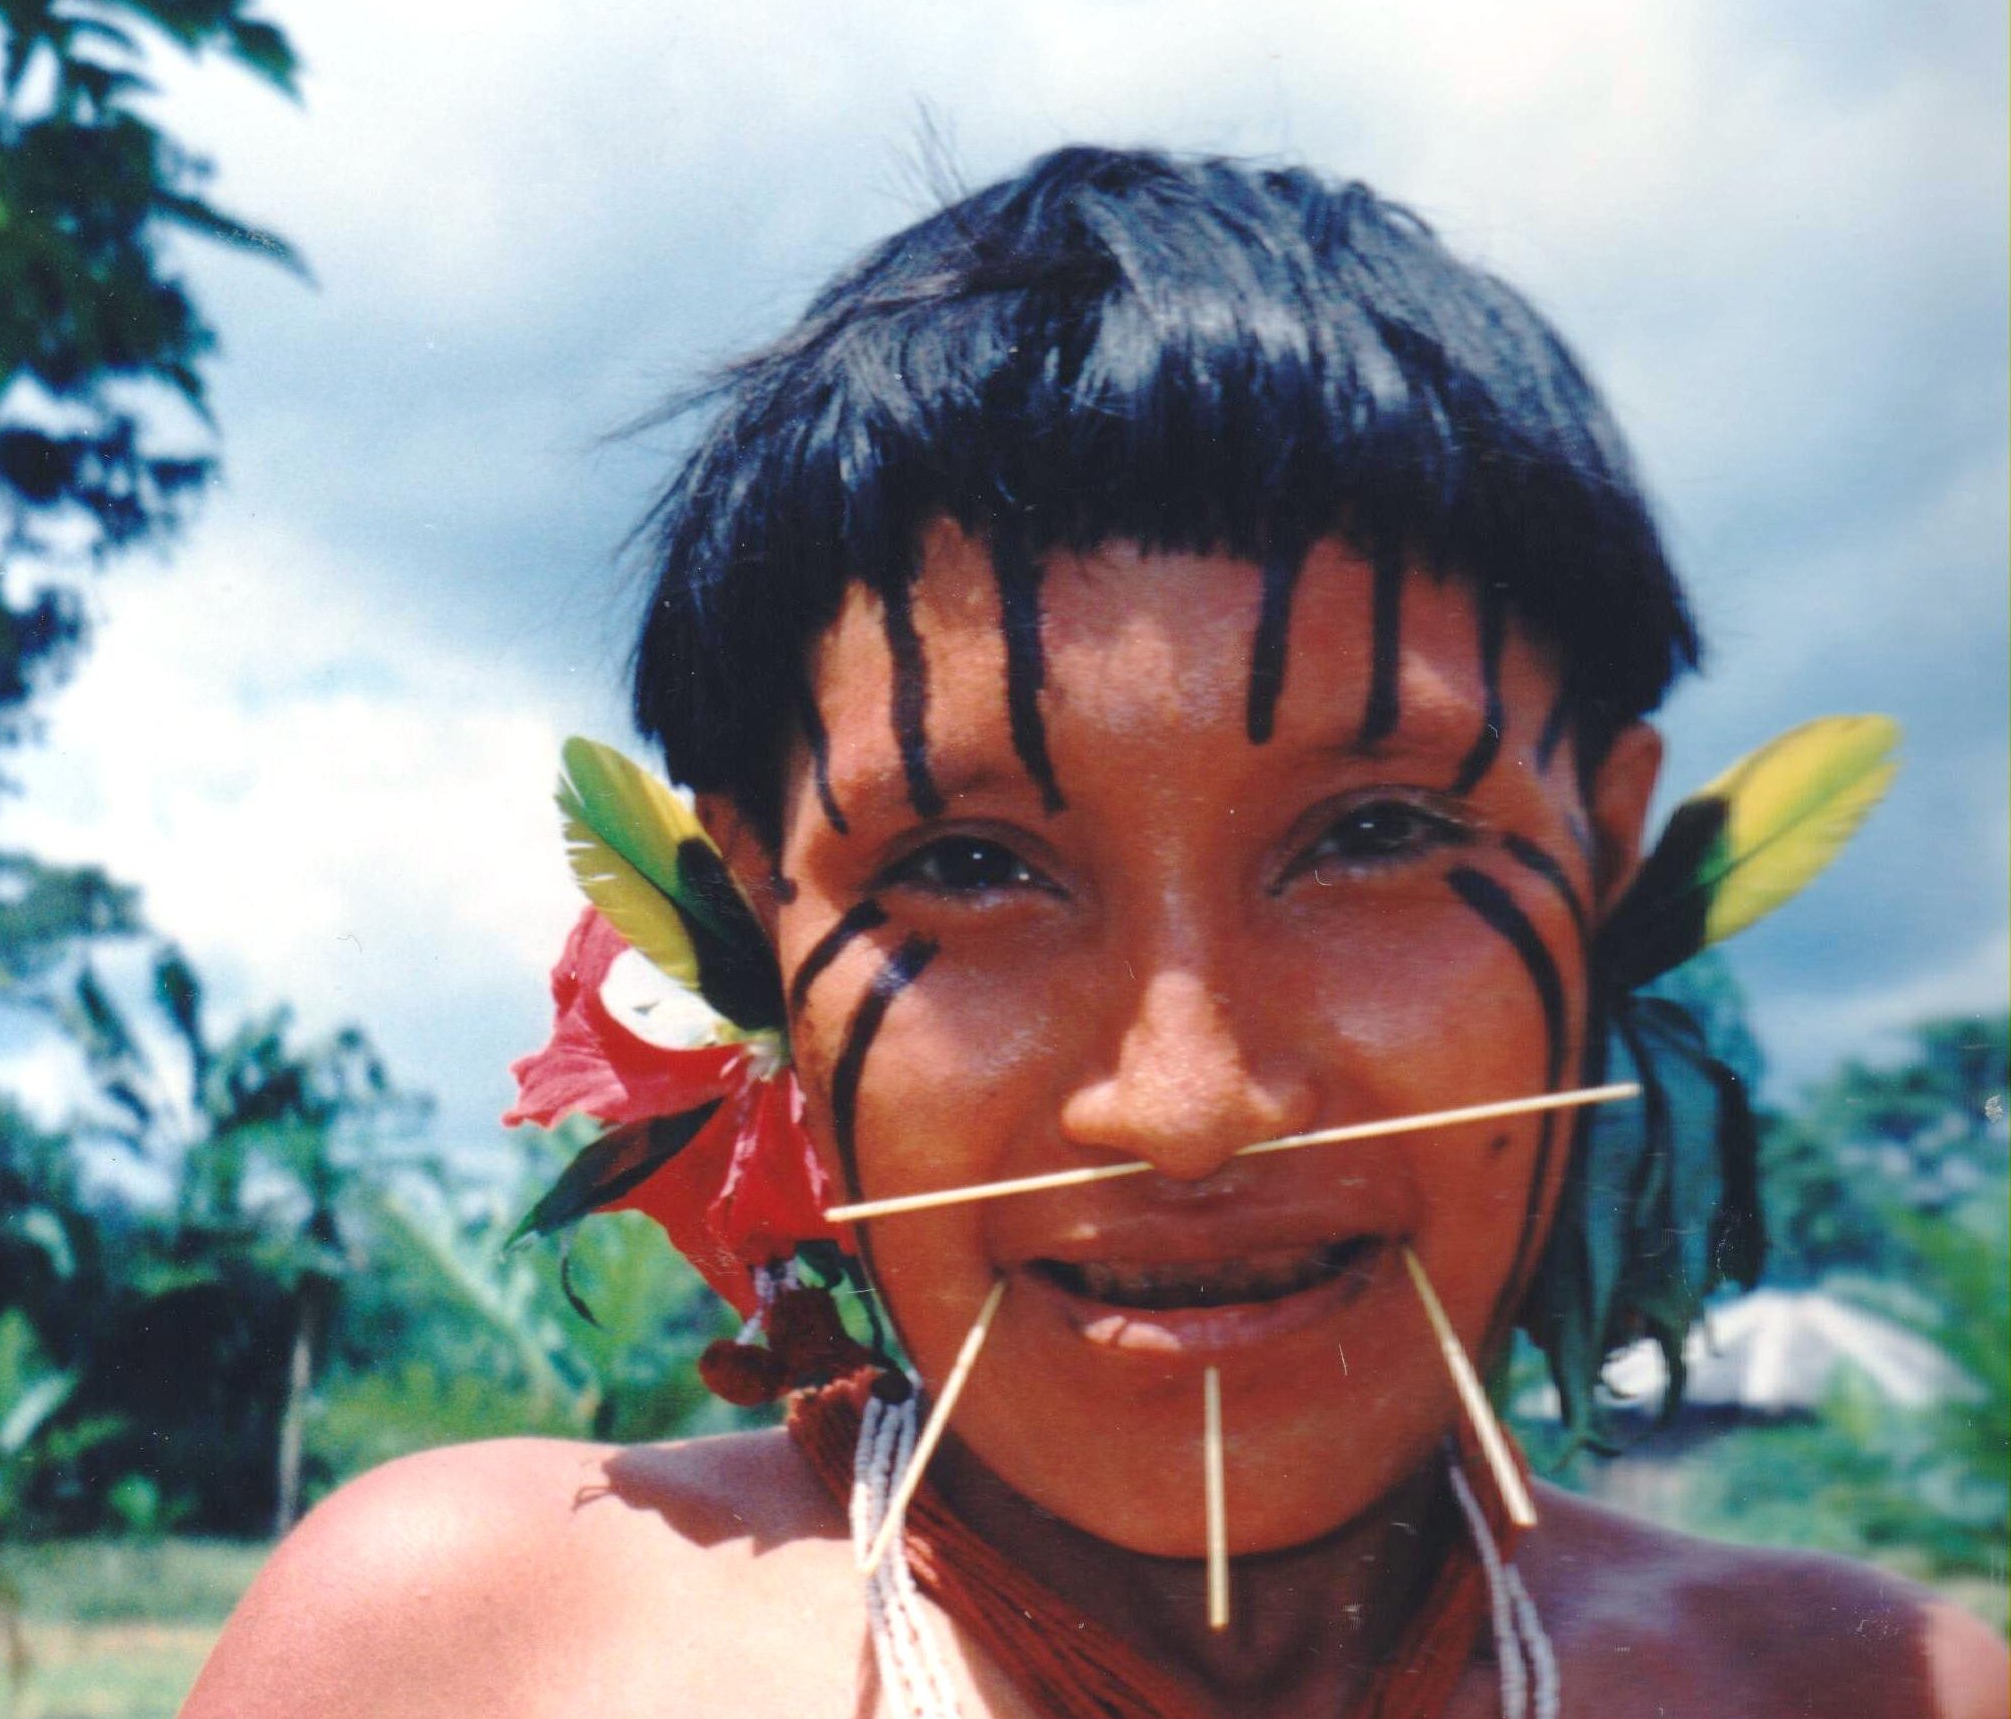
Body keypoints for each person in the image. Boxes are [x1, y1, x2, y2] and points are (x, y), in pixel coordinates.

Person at [181, 147, 2007, 1719]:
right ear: (756, 936)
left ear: (1607, 870)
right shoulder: (464, 1657)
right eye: (969, 866)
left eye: (1373, 835)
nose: (1189, 1110)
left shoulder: (1867, 1689)